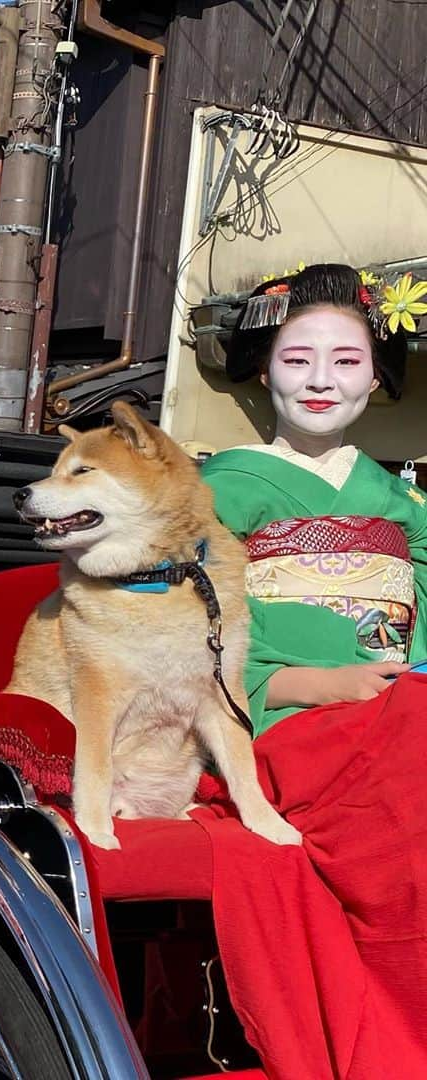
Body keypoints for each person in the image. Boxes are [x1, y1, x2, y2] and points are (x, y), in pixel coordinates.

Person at [191, 263, 427, 1078]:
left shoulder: (398, 499)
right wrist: (311, 685)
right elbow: (190, 629)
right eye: (298, 359)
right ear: (265, 368)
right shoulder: (222, 484)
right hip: (287, 724)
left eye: (347, 360)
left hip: (395, 701)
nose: (321, 379)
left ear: (376, 376)